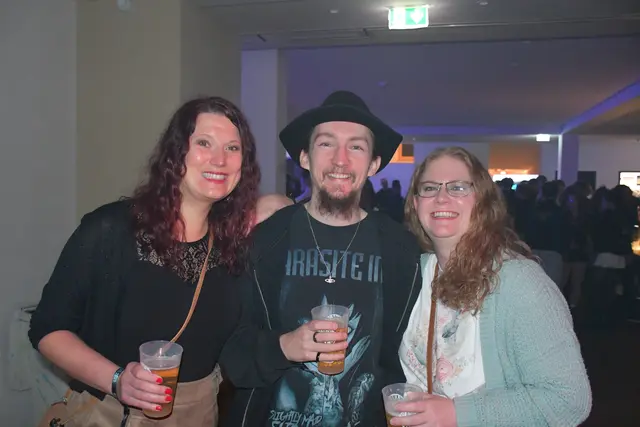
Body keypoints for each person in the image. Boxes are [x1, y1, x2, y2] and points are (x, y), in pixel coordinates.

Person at [29, 96, 264, 426]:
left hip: (199, 415)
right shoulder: (111, 230)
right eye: (204, 143)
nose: (219, 159)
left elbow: (242, 343)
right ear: (176, 152)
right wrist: (117, 380)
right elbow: (47, 328)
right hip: (114, 414)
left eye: (233, 148)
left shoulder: (234, 247)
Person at [220, 90, 423, 426]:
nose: (340, 160)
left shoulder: (400, 250)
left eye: (356, 147)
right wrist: (284, 346)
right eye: (326, 144)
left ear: (373, 164)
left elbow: (402, 358)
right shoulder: (266, 240)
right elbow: (231, 350)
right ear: (304, 157)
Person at [391, 146, 591, 426]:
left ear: (482, 200)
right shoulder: (415, 273)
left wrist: (456, 414)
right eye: (429, 188)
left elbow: (568, 400)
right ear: (415, 203)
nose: (441, 197)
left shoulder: (519, 283)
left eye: (458, 187)